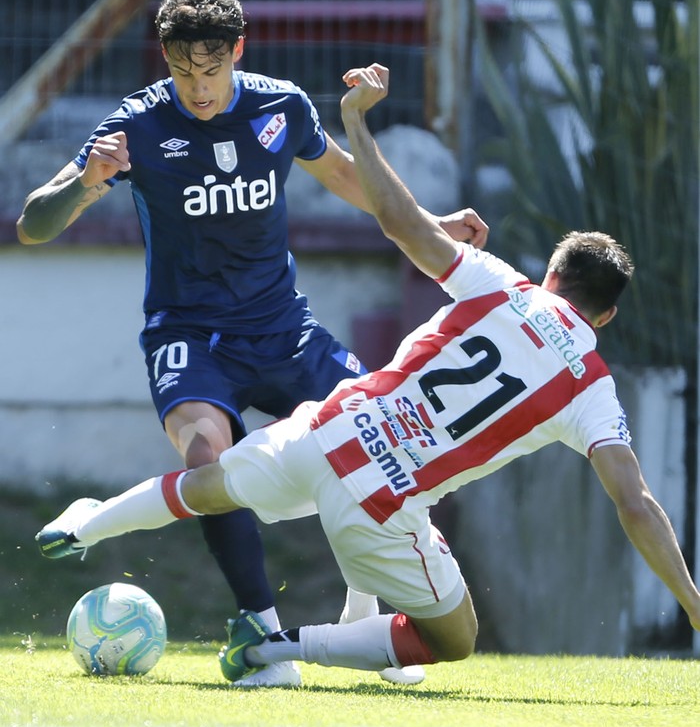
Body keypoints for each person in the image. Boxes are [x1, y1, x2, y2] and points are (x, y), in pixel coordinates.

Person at [37, 62, 700, 683]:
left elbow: (400, 224)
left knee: (209, 483)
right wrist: (695, 605)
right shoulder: (590, 386)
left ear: (553, 275)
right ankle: (274, 646)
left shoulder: (504, 286)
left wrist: (357, 122)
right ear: (605, 317)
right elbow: (635, 506)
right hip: (383, 501)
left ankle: (89, 523)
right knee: (454, 637)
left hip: (329, 426)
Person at [18, 0, 487, 686]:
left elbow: (345, 175)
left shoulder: (281, 105)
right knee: (210, 453)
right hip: (190, 335)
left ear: (238, 50)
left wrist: (431, 222)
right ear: (165, 60)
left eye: (211, 71)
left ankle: (368, 616)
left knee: (388, 432)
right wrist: (85, 183)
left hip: (284, 329)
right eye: (182, 72)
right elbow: (32, 225)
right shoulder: (137, 125)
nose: (198, 90)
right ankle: (260, 632)